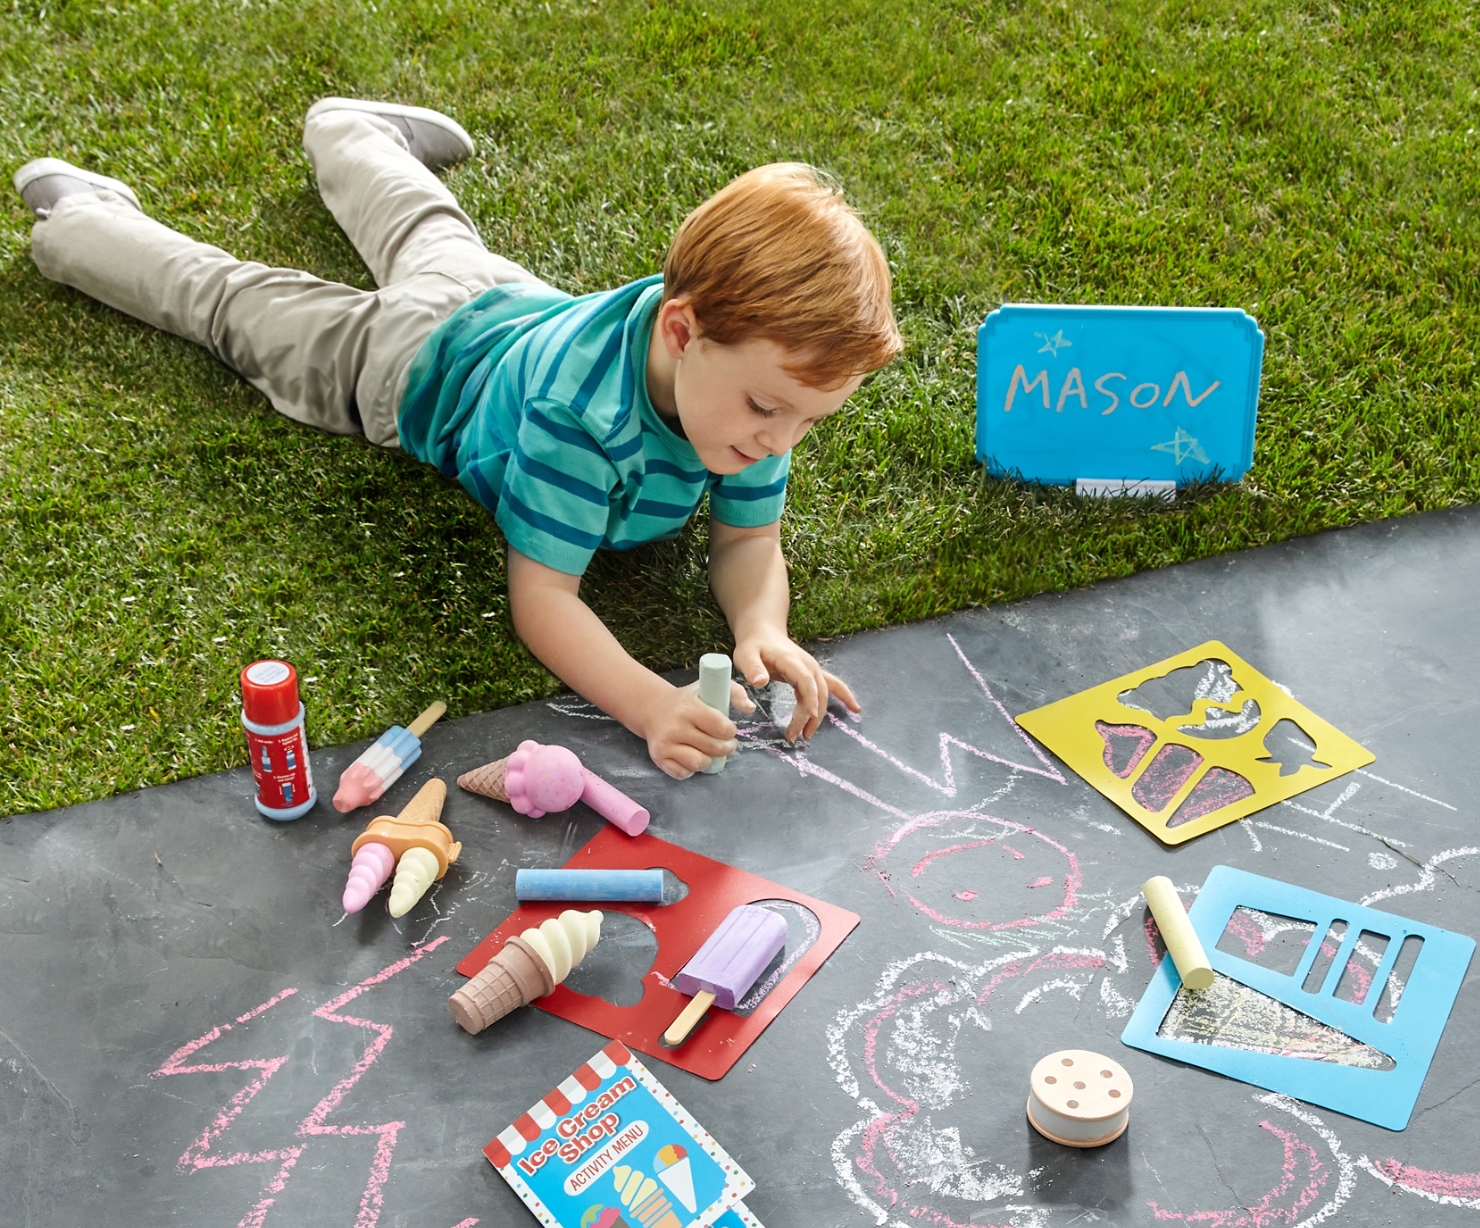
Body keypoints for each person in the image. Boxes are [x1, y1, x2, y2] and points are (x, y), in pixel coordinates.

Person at [14, 99, 903, 777]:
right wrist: (648, 704)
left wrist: (762, 623)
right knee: (241, 306)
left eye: (807, 419)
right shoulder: (579, 422)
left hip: (506, 302)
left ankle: (348, 129)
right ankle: (78, 224)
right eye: (765, 409)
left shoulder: (750, 382)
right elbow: (545, 599)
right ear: (680, 330)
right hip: (407, 368)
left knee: (430, 235)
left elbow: (748, 537)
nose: (782, 437)